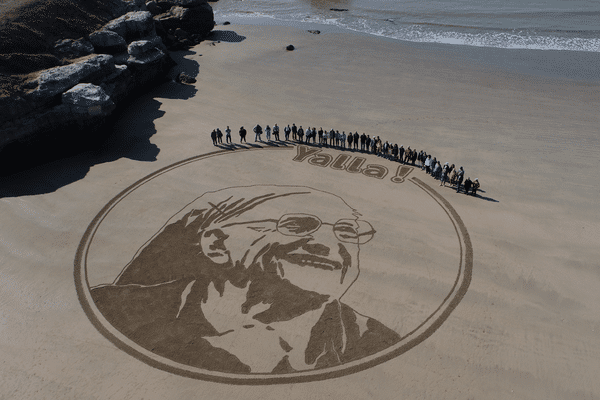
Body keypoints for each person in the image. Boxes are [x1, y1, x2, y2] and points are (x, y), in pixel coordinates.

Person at [90, 186, 400, 374]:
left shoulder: (375, 341)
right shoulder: (113, 310)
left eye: (347, 232)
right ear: (216, 245)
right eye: (297, 224)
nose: (331, 246)